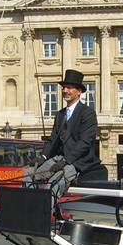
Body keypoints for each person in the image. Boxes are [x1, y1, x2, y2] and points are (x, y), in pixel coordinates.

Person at [24, 69, 102, 201]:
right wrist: (42, 157)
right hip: (58, 159)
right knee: (28, 175)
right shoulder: (60, 114)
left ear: (79, 92)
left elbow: (84, 143)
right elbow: (52, 139)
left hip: (78, 161)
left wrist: (66, 161)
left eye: (69, 88)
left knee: (54, 183)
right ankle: (31, 207)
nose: (65, 90)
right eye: (64, 87)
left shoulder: (88, 113)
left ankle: (45, 216)